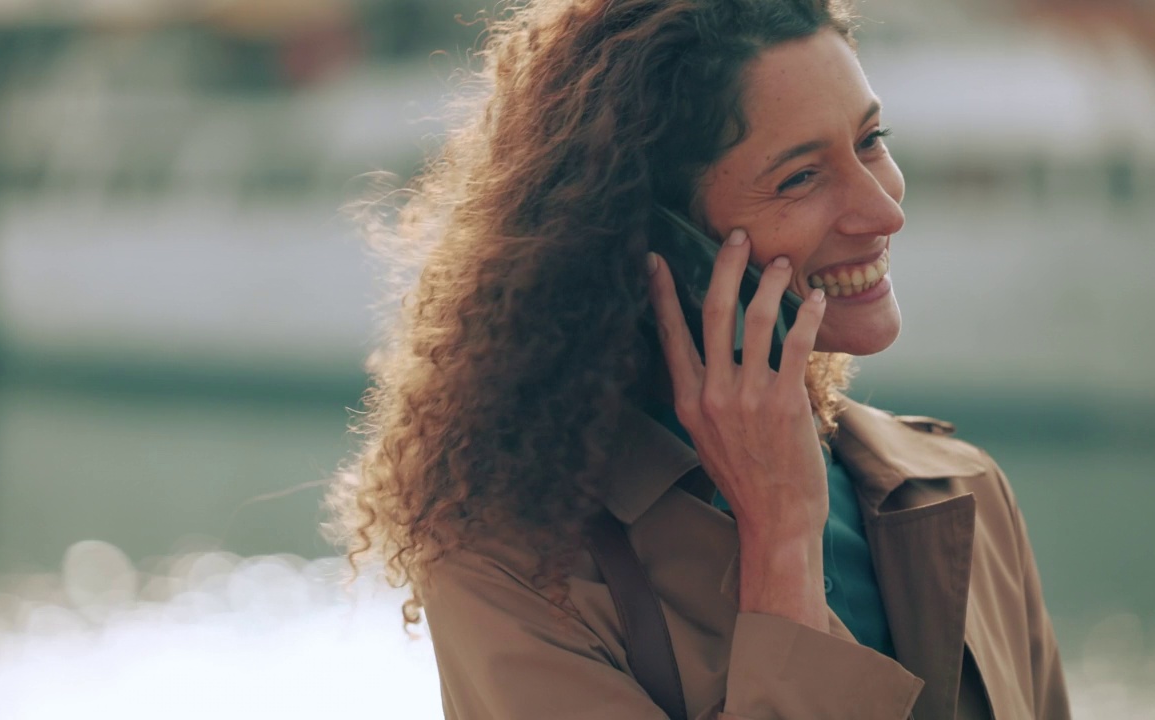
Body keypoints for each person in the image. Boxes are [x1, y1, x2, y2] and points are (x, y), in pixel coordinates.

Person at [327, 0, 1071, 717]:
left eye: (871, 140)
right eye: (801, 177)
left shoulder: (959, 487)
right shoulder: (512, 574)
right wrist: (782, 543)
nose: (886, 210)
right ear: (662, 242)